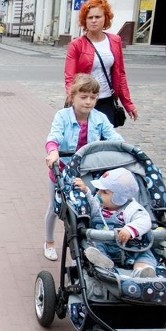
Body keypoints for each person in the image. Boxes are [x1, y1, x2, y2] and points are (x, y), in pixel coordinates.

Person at [43, 73, 123, 261]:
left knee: (87, 206)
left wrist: (125, 149)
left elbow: (114, 138)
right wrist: (53, 151)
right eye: (84, 97)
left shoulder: (100, 118)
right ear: (72, 97)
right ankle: (49, 241)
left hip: (87, 171)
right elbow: (53, 136)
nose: (88, 102)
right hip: (62, 169)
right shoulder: (62, 116)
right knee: (56, 208)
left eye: (93, 98)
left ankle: (83, 246)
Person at [65, 0, 138, 127]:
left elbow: (120, 74)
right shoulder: (76, 45)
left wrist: (128, 103)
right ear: (84, 21)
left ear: (105, 18)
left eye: (97, 17)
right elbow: (70, 77)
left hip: (106, 100)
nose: (93, 21)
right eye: (90, 18)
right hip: (83, 100)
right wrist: (72, 98)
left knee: (104, 141)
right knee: (83, 142)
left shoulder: (115, 41)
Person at [73, 168, 158, 278]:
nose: (98, 193)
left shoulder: (132, 208)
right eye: (98, 190)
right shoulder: (99, 205)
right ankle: (103, 262)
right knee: (93, 246)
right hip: (103, 244)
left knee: (144, 254)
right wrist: (86, 192)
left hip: (129, 248)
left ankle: (142, 271)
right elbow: (92, 207)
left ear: (120, 197)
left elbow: (144, 221)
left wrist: (130, 229)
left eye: (104, 192)